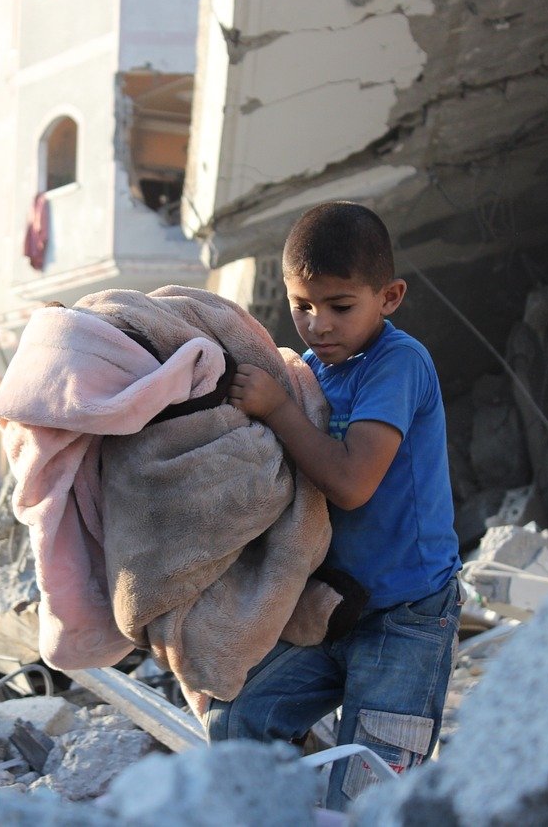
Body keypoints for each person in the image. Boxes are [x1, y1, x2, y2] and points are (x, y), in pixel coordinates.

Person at [211, 201, 462, 810]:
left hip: (408, 616)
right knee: (237, 725)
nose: (319, 324)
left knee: (368, 788)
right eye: (303, 306)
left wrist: (277, 410)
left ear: (390, 296)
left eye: (340, 306)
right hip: (334, 606)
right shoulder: (312, 373)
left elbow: (351, 483)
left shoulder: (398, 363)